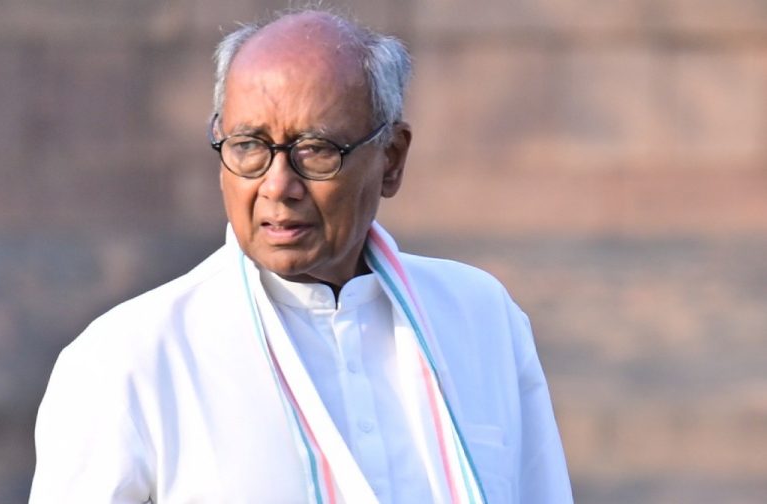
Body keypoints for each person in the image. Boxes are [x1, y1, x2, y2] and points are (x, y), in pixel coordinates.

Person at [29, 9, 572, 504]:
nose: (277, 184)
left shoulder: (479, 319)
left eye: (315, 149)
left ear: (391, 159)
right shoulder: (130, 358)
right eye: (249, 146)